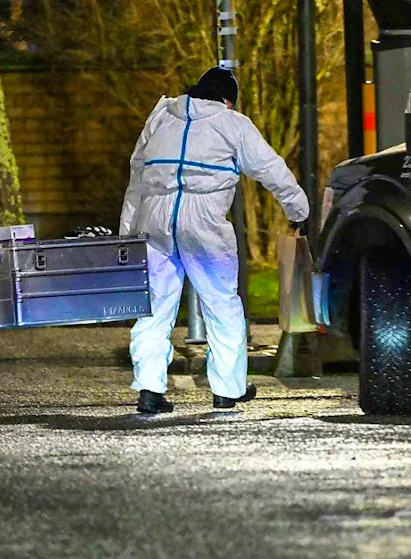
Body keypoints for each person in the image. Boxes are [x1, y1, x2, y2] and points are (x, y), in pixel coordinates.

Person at [119, 67, 310, 414]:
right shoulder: (233, 123)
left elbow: (136, 174)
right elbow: (271, 169)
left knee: (154, 307)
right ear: (227, 99)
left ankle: (149, 390)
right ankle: (227, 389)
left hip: (155, 219)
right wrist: (299, 210)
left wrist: (127, 231)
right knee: (222, 305)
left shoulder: (162, 117)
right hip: (203, 221)